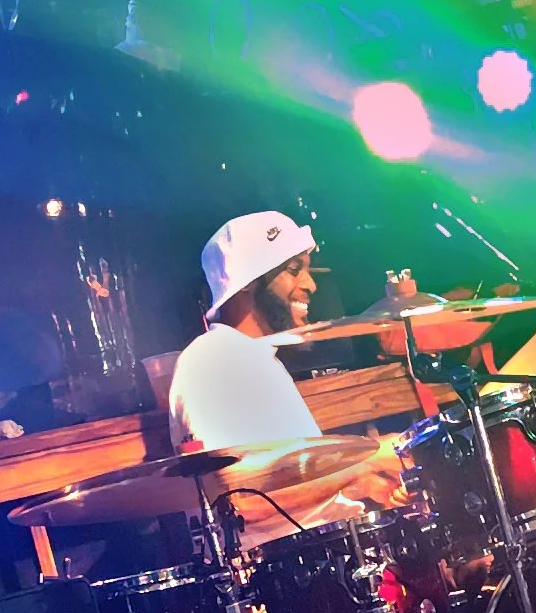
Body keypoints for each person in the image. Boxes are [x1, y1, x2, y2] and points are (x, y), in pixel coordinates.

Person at [169, 210, 399, 526]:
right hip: (286, 571)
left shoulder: (257, 361)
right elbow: (239, 508)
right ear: (248, 282)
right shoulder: (209, 363)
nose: (311, 285)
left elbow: (294, 490)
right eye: (294, 270)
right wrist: (364, 462)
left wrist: (359, 485)